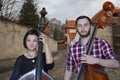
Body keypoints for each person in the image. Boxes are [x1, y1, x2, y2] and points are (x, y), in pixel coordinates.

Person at [64, 16, 120, 80]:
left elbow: (116, 64)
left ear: (90, 26)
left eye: (85, 25)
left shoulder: (101, 43)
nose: (83, 28)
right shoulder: (73, 48)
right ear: (76, 28)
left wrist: (97, 60)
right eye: (79, 25)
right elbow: (69, 69)